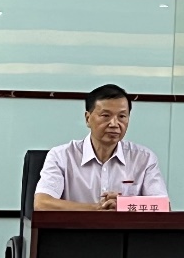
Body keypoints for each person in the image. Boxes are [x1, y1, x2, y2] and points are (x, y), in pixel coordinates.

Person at [34, 84, 168, 211]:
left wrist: (124, 205)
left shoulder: (144, 158)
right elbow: (42, 204)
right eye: (105, 116)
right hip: (75, 228)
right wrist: (97, 209)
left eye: (122, 116)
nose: (114, 124)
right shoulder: (61, 156)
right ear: (88, 118)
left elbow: (164, 207)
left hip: (125, 228)